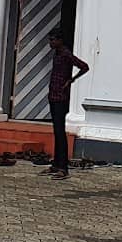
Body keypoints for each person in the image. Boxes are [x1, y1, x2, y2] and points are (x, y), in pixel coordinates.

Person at [45, 31, 89, 180]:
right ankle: (56, 164)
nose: (50, 43)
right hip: (53, 95)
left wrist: (71, 80)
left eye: (52, 40)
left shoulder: (65, 54)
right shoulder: (57, 54)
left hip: (61, 98)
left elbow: (84, 66)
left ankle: (63, 167)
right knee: (56, 132)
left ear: (59, 40)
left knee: (60, 132)